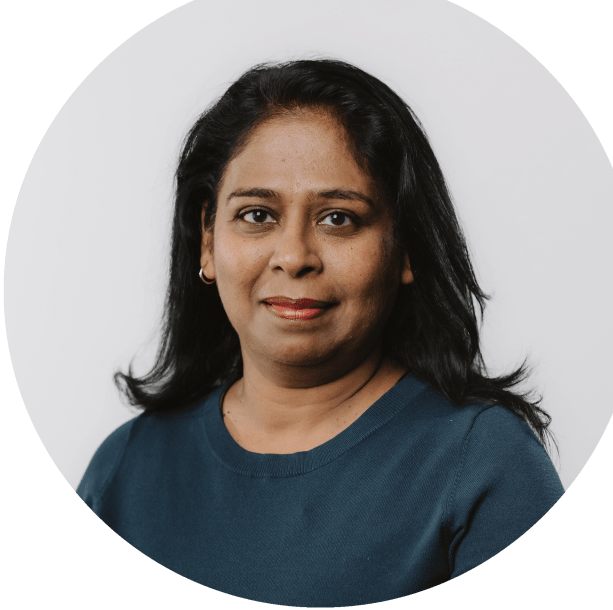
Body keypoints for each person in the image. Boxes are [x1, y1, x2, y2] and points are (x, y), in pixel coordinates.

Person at [77, 59, 564, 607]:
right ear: (208, 241)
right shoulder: (124, 470)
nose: (293, 257)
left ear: (405, 248)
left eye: (338, 218)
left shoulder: (485, 465)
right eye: (257, 215)